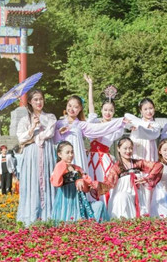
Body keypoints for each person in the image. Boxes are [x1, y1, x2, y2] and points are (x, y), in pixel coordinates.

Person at [90, 137, 163, 219]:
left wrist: (146, 178)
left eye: (130, 148)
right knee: (122, 197)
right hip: (123, 197)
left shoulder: (138, 163)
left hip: (138, 196)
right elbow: (108, 184)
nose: (128, 151)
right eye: (125, 148)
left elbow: (158, 166)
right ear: (118, 149)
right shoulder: (116, 167)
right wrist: (95, 185)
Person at [54, 95, 128, 174]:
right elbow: (53, 141)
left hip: (78, 157)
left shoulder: (81, 125)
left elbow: (100, 128)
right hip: (62, 158)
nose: (71, 109)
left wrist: (120, 122)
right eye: (69, 105)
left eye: (75, 107)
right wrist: (59, 133)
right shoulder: (58, 124)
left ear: (80, 109)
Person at [16, 89, 57, 226]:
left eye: (41, 99)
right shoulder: (25, 120)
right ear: (30, 102)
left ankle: (48, 216)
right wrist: (32, 127)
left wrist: (34, 136)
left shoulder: (50, 117)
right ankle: (31, 216)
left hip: (47, 152)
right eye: (35, 100)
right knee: (32, 181)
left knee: (47, 179)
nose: (39, 102)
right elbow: (21, 139)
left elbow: (50, 133)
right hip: (31, 155)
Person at [83, 75, 125, 205]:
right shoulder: (95, 122)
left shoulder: (115, 127)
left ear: (114, 112)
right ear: (101, 110)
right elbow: (91, 107)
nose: (108, 113)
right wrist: (90, 85)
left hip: (104, 158)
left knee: (104, 182)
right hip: (91, 157)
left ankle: (106, 208)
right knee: (90, 182)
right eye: (105, 110)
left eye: (111, 110)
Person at [50, 141, 108, 223]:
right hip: (66, 203)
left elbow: (87, 187)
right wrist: (62, 163)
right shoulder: (59, 166)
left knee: (100, 205)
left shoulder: (77, 168)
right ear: (59, 154)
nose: (70, 155)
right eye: (67, 153)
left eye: (72, 152)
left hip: (79, 202)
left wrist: (81, 180)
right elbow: (56, 182)